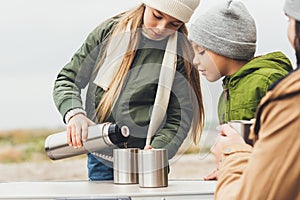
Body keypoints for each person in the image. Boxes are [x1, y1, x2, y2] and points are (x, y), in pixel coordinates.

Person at [53, 0, 204, 181]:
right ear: (146, 4)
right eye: (157, 16)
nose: (161, 28)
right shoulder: (108, 32)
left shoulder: (181, 53)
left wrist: (158, 150)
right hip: (102, 157)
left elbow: (179, 115)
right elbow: (67, 79)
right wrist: (74, 113)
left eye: (174, 24)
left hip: (149, 160)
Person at [204, 0, 300, 199]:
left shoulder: (287, 97)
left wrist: (231, 154)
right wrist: (229, 170)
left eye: (289, 19)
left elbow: (256, 194)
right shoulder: (229, 89)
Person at [188, 0, 293, 125]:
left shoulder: (267, 81)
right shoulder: (225, 96)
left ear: (226, 48)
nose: (195, 61)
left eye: (201, 52)